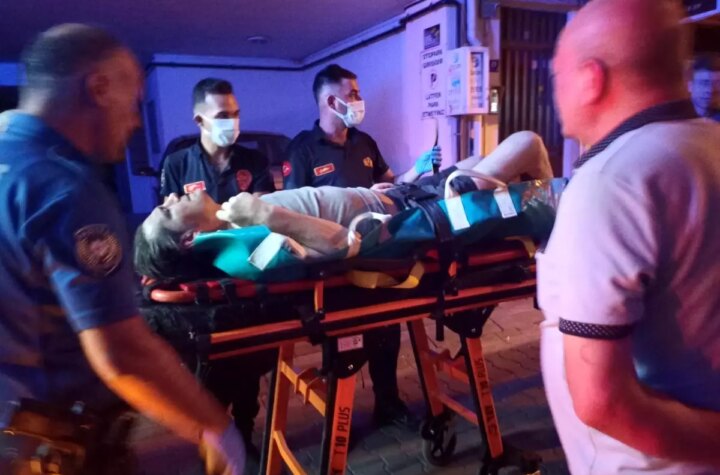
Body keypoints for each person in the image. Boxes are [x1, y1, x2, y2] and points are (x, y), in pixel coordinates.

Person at [0, 24, 245, 475]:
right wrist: (214, 427)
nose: (135, 122)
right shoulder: (64, 189)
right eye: (133, 103)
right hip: (47, 443)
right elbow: (121, 353)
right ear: (98, 88)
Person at [537, 0, 720, 473]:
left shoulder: (613, 181)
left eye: (557, 75)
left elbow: (601, 401)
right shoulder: (709, 146)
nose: (554, 91)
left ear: (591, 79)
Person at [134, 130, 553, 278]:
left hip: (396, 196)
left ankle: (539, 224)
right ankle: (555, 240)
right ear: (189, 238)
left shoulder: (232, 222)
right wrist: (266, 214)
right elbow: (341, 244)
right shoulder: (245, 248)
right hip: (411, 213)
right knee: (527, 144)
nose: (169, 196)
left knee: (484, 160)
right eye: (166, 210)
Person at [282, 64, 444, 430]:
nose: (359, 100)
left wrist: (417, 170)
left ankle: (388, 403)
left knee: (386, 329)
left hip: (377, 253)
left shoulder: (364, 142)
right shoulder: (302, 151)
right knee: (344, 345)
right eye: (352, 94)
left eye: (358, 93)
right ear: (331, 101)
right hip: (334, 263)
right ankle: (338, 420)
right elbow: (294, 213)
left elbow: (392, 185)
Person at [160, 78, 275, 202]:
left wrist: (203, 210)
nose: (232, 122)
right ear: (199, 120)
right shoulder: (177, 164)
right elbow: (170, 211)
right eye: (223, 116)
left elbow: (260, 210)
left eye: (236, 114)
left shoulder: (256, 161)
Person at [689, 53, 720, 121]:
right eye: (704, 83)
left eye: (717, 83)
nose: (710, 90)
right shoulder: (674, 118)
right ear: (690, 86)